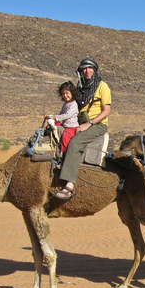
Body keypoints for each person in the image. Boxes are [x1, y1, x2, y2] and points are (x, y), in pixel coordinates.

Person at [52, 58, 111, 200]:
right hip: (80, 122)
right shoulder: (80, 87)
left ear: (94, 70)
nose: (87, 71)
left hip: (97, 125)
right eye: (84, 68)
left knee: (75, 143)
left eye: (90, 68)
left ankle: (69, 186)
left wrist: (89, 123)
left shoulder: (103, 86)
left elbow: (106, 112)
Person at [46, 81, 79, 154]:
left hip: (71, 127)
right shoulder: (66, 104)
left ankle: (65, 154)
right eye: (63, 94)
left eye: (67, 93)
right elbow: (62, 113)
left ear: (72, 93)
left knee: (65, 138)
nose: (65, 95)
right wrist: (52, 118)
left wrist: (55, 117)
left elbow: (67, 115)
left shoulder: (73, 104)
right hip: (65, 125)